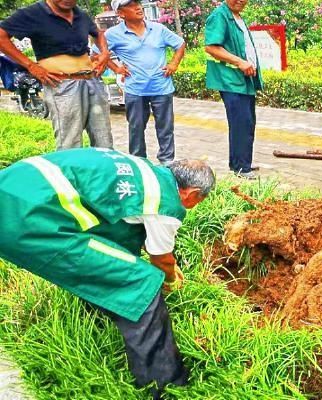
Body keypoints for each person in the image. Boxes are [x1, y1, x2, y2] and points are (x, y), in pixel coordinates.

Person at [0, 148, 216, 399]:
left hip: (13, 187)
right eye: (198, 203)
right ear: (192, 193)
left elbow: (121, 224)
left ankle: (98, 317)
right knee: (140, 281)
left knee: (110, 259)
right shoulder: (165, 201)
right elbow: (161, 258)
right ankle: (165, 384)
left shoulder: (145, 170)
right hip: (29, 219)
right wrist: (171, 280)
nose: (193, 207)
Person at [0, 0, 113, 150]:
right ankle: (70, 173)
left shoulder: (80, 14)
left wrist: (104, 53)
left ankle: (104, 171)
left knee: (103, 139)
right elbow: (1, 36)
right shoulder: (33, 13)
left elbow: (98, 33)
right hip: (62, 85)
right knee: (69, 142)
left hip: (92, 81)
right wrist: (31, 66)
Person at [102, 0, 186, 165]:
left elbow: (180, 44)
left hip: (161, 87)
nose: (138, 7)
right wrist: (116, 68)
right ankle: (138, 161)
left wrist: (174, 64)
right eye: (132, 6)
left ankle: (167, 161)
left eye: (138, 3)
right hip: (135, 90)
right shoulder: (113, 34)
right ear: (121, 13)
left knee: (165, 128)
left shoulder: (158, 29)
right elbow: (99, 53)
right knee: (136, 128)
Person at [205, 0, 262, 180]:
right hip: (231, 80)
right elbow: (211, 47)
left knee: (247, 122)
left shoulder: (236, 16)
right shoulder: (219, 16)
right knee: (241, 122)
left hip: (244, 80)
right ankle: (241, 168)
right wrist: (239, 62)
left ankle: (242, 161)